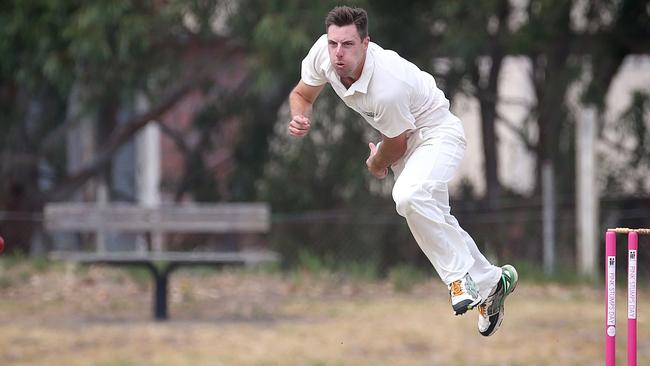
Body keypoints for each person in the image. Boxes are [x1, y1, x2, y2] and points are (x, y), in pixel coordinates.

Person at [287, 5, 518, 336]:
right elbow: (302, 94)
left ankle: (458, 280)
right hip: (404, 138)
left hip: (437, 134)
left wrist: (377, 163)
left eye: (348, 44)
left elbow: (395, 143)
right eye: (334, 43)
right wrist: (299, 116)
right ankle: (494, 282)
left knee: (408, 196)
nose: (339, 52)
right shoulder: (323, 54)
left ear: (366, 43)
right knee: (433, 216)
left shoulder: (387, 83)